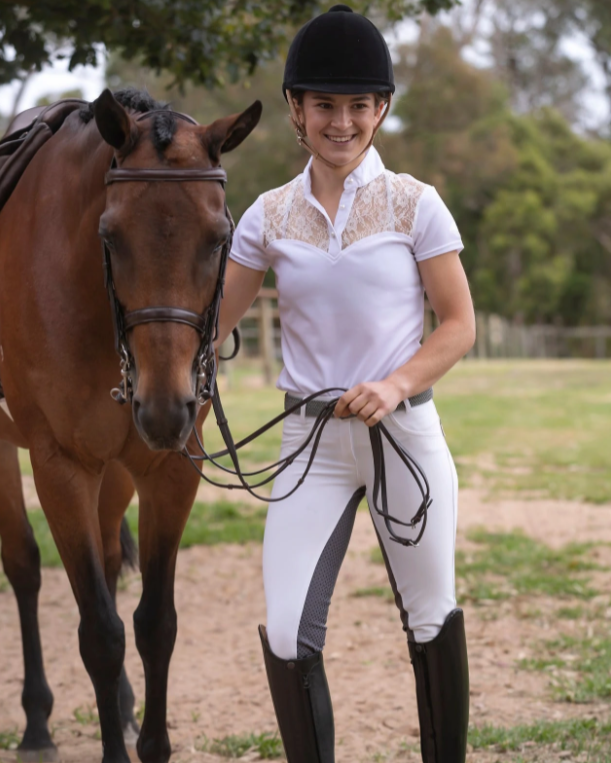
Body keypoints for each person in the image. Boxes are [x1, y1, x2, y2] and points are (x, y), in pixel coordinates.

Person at [217, 5, 475, 761]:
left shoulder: (413, 204)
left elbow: (457, 323)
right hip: (309, 444)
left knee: (430, 618)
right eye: (324, 105)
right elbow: (208, 326)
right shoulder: (265, 218)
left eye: (358, 106)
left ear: (380, 109)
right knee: (290, 628)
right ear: (296, 110)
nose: (341, 122)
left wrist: (395, 384)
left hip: (400, 435)